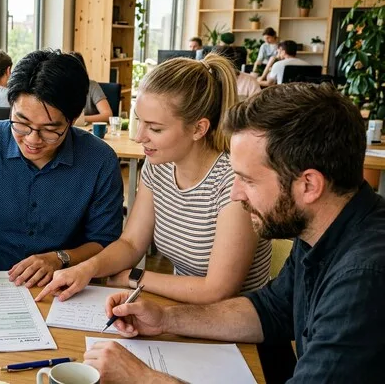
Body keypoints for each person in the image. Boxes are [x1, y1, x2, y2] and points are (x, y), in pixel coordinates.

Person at [84, 83, 385, 383]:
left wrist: (143, 379)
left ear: (308, 185)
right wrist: (165, 318)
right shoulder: (322, 228)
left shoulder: (363, 277)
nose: (236, 194)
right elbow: (271, 311)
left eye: (247, 180)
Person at [37, 53, 271, 305]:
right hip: (184, 309)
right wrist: (87, 269)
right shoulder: (158, 166)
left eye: (155, 128)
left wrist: (133, 277)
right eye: (140, 122)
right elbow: (131, 243)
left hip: (236, 323)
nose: (139, 137)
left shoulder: (233, 182)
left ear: (198, 129)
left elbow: (216, 290)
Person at [0, 49, 124, 288]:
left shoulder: (99, 160)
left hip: (65, 285)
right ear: (10, 106)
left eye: (50, 129)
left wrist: (59, 258)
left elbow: (105, 241)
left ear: (73, 120)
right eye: (21, 124)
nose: (33, 139)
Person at [71, 52, 113, 124]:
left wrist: (81, 119)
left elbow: (108, 115)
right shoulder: (60, 87)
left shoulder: (92, 86)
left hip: (88, 130)